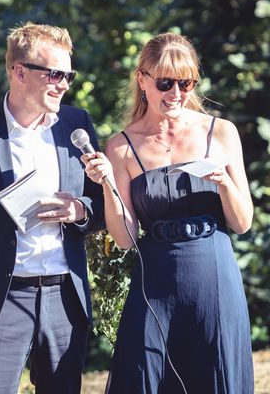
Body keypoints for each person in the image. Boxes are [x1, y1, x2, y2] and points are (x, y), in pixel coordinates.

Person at [0, 22, 105, 394]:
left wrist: (80, 211)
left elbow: (103, 204)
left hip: (63, 299)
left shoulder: (78, 125)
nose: (63, 84)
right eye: (55, 74)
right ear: (19, 72)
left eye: (68, 76)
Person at [82, 32, 254, 393]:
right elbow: (125, 239)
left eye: (185, 82)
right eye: (165, 83)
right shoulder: (121, 146)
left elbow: (242, 223)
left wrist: (223, 183)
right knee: (146, 376)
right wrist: (109, 185)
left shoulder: (221, 133)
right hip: (156, 281)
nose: (176, 93)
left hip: (215, 277)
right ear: (142, 80)